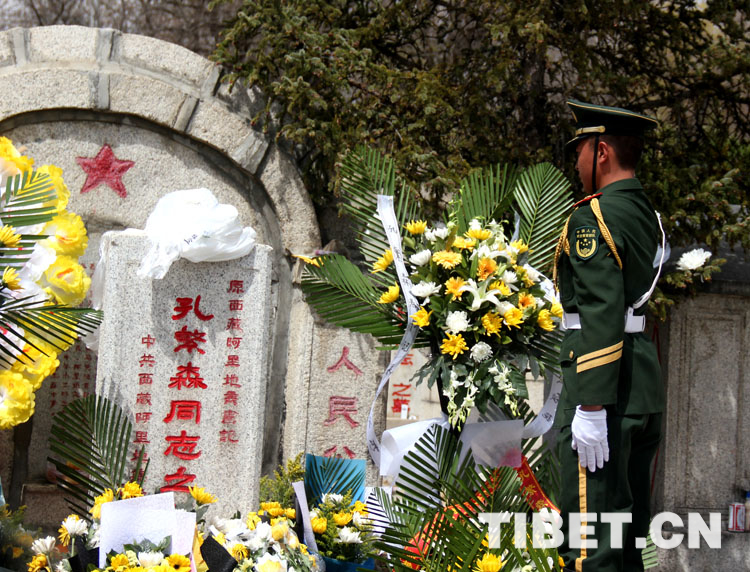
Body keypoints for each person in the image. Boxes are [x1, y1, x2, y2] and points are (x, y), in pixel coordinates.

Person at [552, 99, 665, 572]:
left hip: (603, 393)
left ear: (601, 152)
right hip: (639, 384)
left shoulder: (593, 217)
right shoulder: (644, 213)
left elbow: (602, 309)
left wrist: (592, 406)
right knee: (626, 542)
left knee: (590, 546)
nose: (576, 162)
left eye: (579, 149)